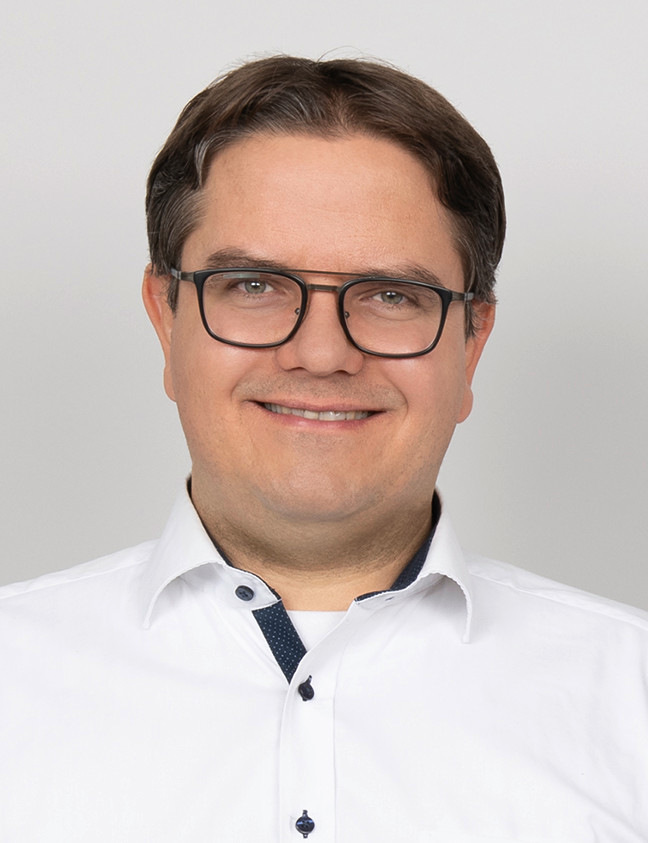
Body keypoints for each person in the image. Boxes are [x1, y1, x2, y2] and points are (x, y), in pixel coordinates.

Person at [1, 55, 647, 842]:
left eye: (390, 295)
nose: (321, 353)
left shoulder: (629, 700)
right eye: (254, 285)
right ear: (166, 320)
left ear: (471, 344)